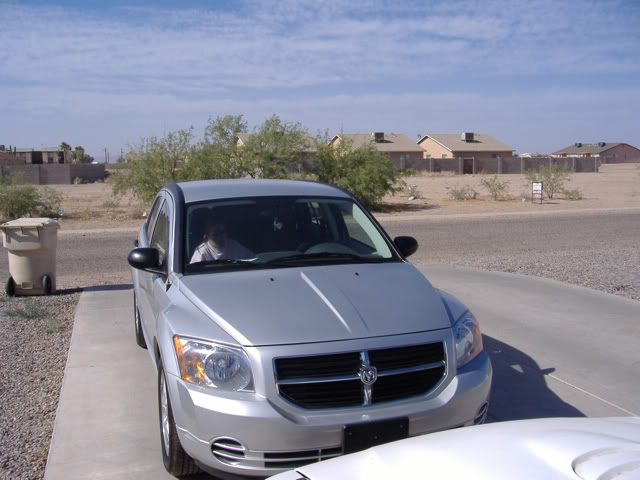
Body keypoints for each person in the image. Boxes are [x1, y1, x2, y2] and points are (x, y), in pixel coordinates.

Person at [190, 218, 254, 263]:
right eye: (215, 235)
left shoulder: (233, 245)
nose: (219, 237)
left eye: (222, 232)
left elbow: (252, 259)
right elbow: (193, 270)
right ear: (207, 237)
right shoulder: (201, 252)